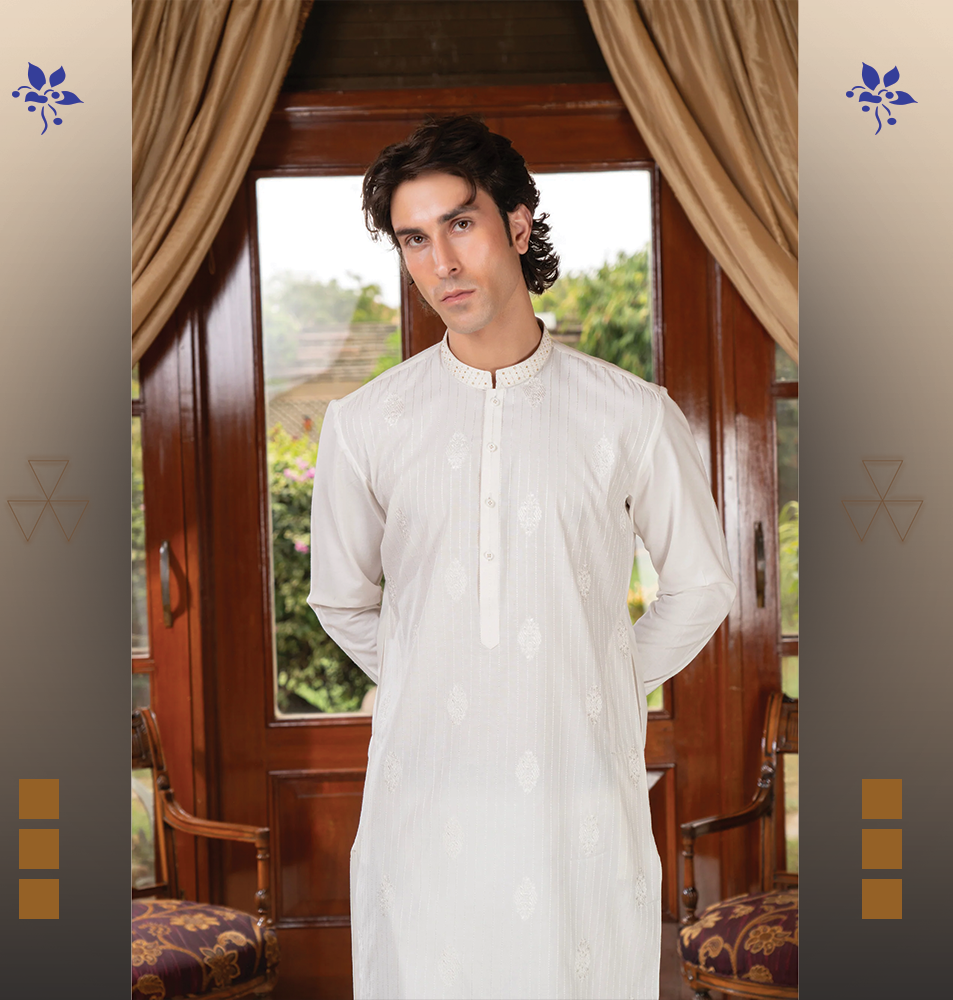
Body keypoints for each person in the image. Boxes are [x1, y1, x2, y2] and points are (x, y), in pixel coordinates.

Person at [308, 115, 736, 1000]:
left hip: (578, 798)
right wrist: (445, 673)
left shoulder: (631, 414)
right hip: (426, 798)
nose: (442, 263)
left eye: (460, 224)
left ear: (516, 223)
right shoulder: (365, 424)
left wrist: (596, 676)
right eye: (414, 240)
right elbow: (340, 600)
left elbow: (701, 586)